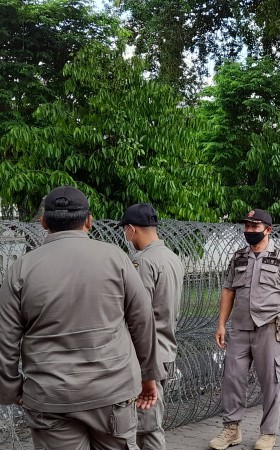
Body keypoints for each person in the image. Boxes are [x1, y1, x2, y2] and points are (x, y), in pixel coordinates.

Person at [0, 186, 164, 450]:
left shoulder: (21, 269)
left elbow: (5, 338)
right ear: (89, 220)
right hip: (112, 392)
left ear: (43, 222)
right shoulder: (116, 259)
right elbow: (142, 321)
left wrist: (11, 390)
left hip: (50, 396)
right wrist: (148, 378)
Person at [209, 209, 280, 450]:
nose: (249, 231)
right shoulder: (239, 256)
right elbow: (228, 290)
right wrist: (221, 323)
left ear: (267, 230)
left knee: (271, 381)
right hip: (241, 328)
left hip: (269, 327)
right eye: (247, 226)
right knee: (233, 377)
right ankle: (231, 430)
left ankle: (268, 433)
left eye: (255, 227)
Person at [120, 203, 185, 450]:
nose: (126, 237)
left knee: (148, 427)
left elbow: (138, 315)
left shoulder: (143, 262)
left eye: (125, 232)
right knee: (150, 421)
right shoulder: (172, 257)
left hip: (148, 355)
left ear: (131, 229)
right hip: (166, 347)